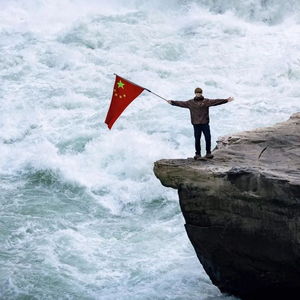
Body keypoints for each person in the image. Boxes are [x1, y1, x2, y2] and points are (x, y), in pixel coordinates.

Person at [167, 87, 234, 160]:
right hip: (196, 124)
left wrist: (226, 100)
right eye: (197, 93)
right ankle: (197, 154)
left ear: (201, 93)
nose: (198, 94)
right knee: (197, 139)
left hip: (205, 123)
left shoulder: (206, 101)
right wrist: (172, 102)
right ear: (195, 93)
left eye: (199, 93)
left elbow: (216, 101)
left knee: (208, 138)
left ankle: (208, 153)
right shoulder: (190, 103)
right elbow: (180, 103)